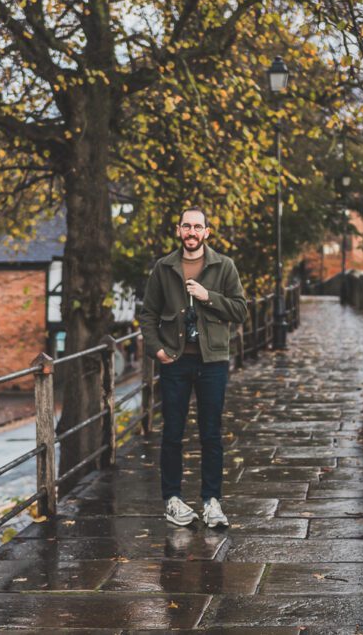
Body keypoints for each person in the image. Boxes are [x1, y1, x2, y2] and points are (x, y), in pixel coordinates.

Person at [138, 207, 248, 528]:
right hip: (174, 361)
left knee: (210, 433)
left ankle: (211, 502)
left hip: (212, 361)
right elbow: (148, 314)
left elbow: (240, 310)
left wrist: (207, 296)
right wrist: (156, 349)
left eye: (197, 227)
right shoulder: (164, 268)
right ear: (178, 230)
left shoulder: (223, 266)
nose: (192, 232)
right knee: (172, 432)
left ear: (207, 233)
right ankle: (172, 500)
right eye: (186, 226)